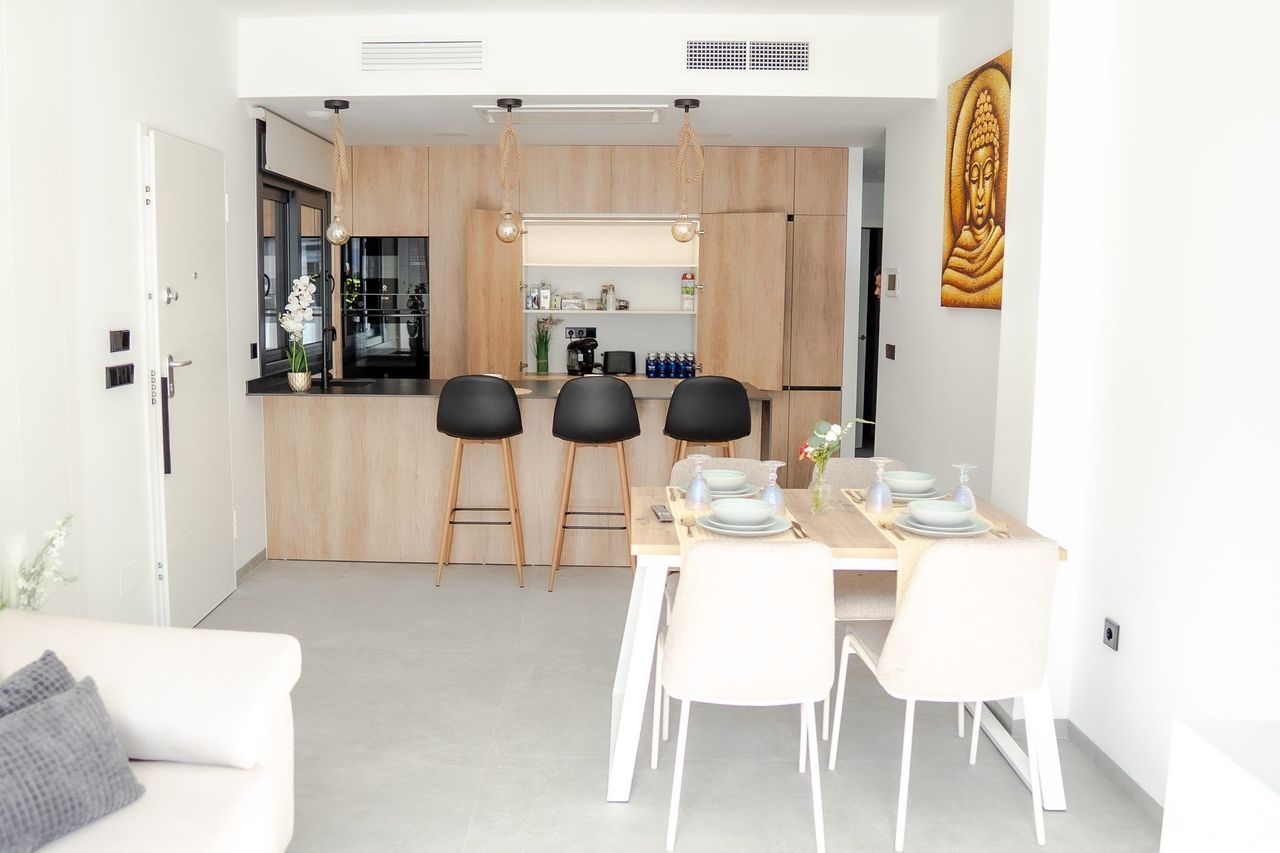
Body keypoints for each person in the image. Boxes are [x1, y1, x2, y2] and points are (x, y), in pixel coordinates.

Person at [942, 87, 1004, 306]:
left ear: (995, 177)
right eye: (975, 179)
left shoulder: (1000, 249)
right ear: (967, 181)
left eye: (986, 177)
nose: (980, 192)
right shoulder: (955, 260)